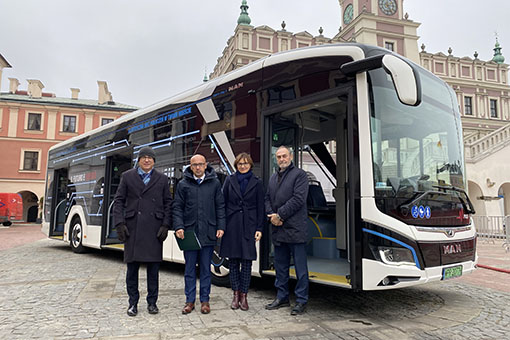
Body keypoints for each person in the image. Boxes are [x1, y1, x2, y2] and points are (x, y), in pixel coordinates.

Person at [113, 146, 172, 317]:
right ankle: (133, 303)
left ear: (154, 161)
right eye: (144, 157)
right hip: (132, 229)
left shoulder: (162, 179)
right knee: (132, 270)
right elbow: (118, 202)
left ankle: (152, 303)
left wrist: (165, 225)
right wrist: (119, 223)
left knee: (153, 270)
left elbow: (168, 203)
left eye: (150, 157)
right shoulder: (127, 176)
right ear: (138, 160)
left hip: (154, 229)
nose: (147, 160)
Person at [173, 154, 225, 314]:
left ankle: (205, 301)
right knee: (189, 270)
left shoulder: (214, 183)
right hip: (189, 234)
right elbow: (177, 208)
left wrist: (221, 226)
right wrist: (179, 226)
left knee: (205, 269)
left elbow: (220, 206)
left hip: (208, 233)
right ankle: (189, 301)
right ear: (190, 166)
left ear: (205, 165)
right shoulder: (183, 184)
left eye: (200, 164)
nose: (197, 167)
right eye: (194, 165)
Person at [264, 145, 309, 315]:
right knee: (280, 266)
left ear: (290, 156)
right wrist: (271, 215)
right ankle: (282, 297)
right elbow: (267, 198)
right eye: (279, 157)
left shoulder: (300, 175)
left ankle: (301, 300)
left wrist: (280, 215)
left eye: (284, 156)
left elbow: (298, 199)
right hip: (278, 229)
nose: (282, 159)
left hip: (295, 228)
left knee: (300, 268)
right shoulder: (273, 177)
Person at [219, 153, 264, 311]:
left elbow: (260, 208)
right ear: (236, 165)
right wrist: (222, 226)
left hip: (249, 225)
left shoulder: (257, 183)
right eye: (240, 164)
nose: (243, 166)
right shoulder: (229, 180)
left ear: (250, 165)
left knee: (246, 262)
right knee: (233, 262)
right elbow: (222, 204)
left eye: (245, 163)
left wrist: (259, 228)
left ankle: (244, 295)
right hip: (232, 225)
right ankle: (235, 294)